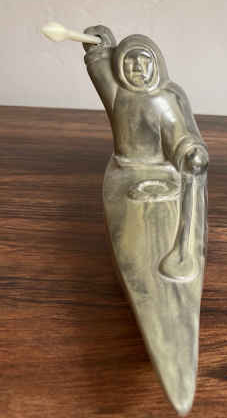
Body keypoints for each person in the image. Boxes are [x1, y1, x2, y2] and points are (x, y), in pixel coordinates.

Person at [83, 25, 208, 280]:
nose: (138, 68)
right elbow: (100, 65)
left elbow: (180, 133)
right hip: (125, 171)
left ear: (157, 64)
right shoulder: (117, 94)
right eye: (130, 62)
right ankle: (142, 275)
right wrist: (99, 42)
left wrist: (190, 153)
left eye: (144, 61)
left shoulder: (168, 97)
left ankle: (171, 272)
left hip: (166, 171)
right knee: (132, 233)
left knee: (164, 225)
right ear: (120, 67)